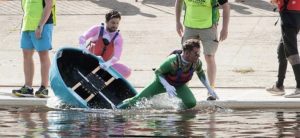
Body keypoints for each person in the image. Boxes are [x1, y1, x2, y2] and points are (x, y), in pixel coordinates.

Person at [117, 39, 218, 109]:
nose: (198, 55)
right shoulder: (172, 61)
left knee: (191, 103)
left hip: (178, 86)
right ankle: (116, 109)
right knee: (136, 101)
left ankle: (176, 115)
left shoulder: (197, 62)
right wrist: (167, 86)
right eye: (195, 53)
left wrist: (209, 88)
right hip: (161, 83)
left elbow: (200, 73)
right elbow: (158, 72)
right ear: (187, 53)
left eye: (198, 53)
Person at [175, 0, 230, 90]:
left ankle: (211, 89)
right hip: (190, 27)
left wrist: (225, 28)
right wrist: (177, 22)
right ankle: (184, 88)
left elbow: (226, 6)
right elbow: (179, 2)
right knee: (187, 57)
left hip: (209, 28)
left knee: (209, 57)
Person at [12, 0, 56, 98]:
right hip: (27, 25)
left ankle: (44, 88)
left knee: (43, 55)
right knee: (26, 55)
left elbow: (48, 6)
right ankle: (28, 87)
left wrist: (40, 26)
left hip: (42, 25)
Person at [78, 10, 131, 78]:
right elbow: (82, 37)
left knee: (126, 71)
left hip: (104, 66)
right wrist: (82, 47)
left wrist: (107, 64)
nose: (115, 25)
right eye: (113, 23)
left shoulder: (118, 38)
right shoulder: (97, 29)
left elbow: (117, 57)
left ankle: (104, 78)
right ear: (106, 21)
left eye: (117, 23)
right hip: (89, 60)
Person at [267, 0, 300, 98]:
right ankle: (279, 86)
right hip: (294, 13)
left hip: (289, 15)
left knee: (291, 52)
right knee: (281, 51)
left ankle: (299, 87)